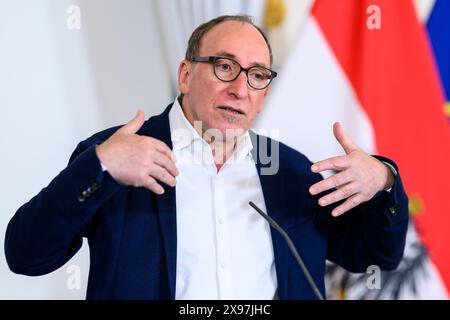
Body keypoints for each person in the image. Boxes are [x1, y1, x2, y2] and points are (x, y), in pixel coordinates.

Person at [4, 15, 408, 300]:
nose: (240, 88)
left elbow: (376, 255)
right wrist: (99, 167)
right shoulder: (118, 154)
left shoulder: (292, 173)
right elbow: (26, 255)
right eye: (224, 66)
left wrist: (384, 180)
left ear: (264, 94)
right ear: (185, 75)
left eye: (257, 75)